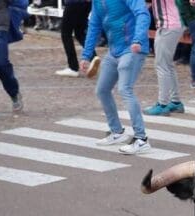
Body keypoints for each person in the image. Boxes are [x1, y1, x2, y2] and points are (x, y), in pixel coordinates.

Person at [80, 0, 152, 155]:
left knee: (125, 89)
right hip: (114, 51)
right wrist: (86, 55)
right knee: (102, 90)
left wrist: (138, 39)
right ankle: (117, 132)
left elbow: (143, 14)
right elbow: (94, 25)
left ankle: (141, 139)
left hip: (133, 48)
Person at [143, 0, 185, 115]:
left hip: (168, 25)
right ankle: (175, 101)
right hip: (174, 23)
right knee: (168, 64)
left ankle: (163, 104)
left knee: (162, 65)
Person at [55, 0, 92, 77]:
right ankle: (93, 57)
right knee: (80, 33)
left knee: (66, 34)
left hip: (73, 3)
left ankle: (73, 67)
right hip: (87, 3)